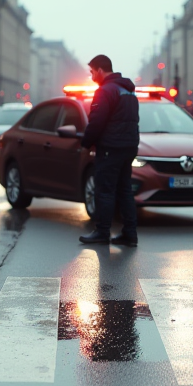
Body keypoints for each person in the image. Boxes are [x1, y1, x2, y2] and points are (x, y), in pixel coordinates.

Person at [78, 54, 141, 247]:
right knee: (124, 191)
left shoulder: (105, 91)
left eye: (92, 72)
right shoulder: (128, 91)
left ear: (99, 70)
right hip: (129, 147)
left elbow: (96, 123)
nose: (91, 76)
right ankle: (129, 233)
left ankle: (102, 232)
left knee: (104, 190)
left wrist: (85, 144)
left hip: (110, 148)